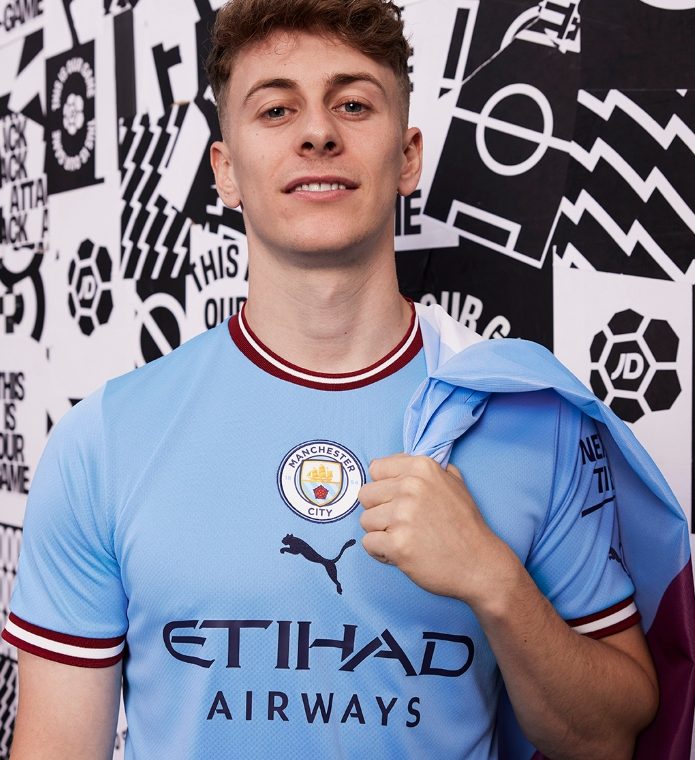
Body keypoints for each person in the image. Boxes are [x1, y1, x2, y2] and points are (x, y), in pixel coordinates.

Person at [3, 1, 665, 758]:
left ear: (407, 157)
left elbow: (610, 737)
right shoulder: (105, 440)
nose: (317, 132)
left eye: (352, 104)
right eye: (276, 109)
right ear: (225, 171)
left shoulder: (528, 417)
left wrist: (495, 580)